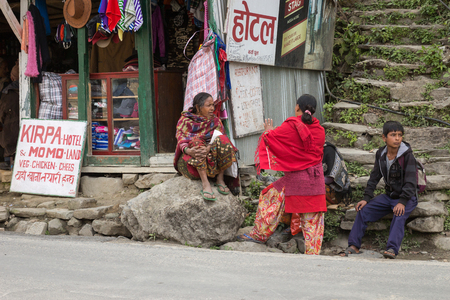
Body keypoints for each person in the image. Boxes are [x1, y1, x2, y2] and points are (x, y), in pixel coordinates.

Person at [237, 94, 327, 255]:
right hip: (315, 181)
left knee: (269, 197)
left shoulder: (291, 125)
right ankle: (313, 254)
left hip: (296, 180)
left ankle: (259, 234)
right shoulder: (320, 130)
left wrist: (267, 131)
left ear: (297, 107)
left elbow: (271, 139)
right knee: (312, 220)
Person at [341, 121, 418, 259]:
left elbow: (411, 182)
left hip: (407, 197)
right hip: (389, 196)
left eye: (400, 135)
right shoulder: (381, 154)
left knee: (399, 214)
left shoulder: (407, 155)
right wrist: (366, 198)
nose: (397, 138)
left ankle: (392, 248)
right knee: (363, 210)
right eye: (393, 135)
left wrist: (403, 201)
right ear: (384, 137)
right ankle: (354, 246)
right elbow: (374, 177)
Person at [174, 92, 238, 201]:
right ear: (198, 108)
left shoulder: (215, 121)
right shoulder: (185, 121)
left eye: (213, 105)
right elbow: (181, 140)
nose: (212, 108)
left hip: (212, 163)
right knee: (196, 142)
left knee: (224, 139)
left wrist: (208, 148)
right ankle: (205, 183)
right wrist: (189, 151)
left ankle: (220, 178)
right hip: (191, 163)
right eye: (209, 105)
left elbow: (220, 138)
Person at [0, 61, 20, 170]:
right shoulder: (32, 88)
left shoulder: (7, 93)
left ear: (12, 78)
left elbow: (1, 115)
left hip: (10, 136)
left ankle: (9, 164)